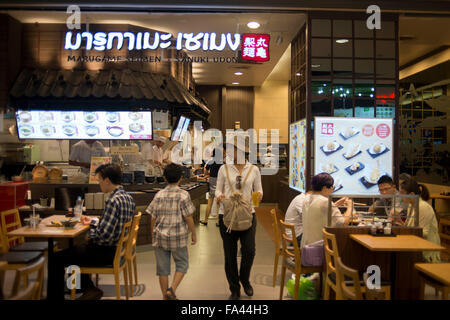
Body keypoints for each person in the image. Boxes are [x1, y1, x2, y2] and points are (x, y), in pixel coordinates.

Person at [48, 164, 135, 300]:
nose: (99, 183)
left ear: (107, 181)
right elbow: (112, 225)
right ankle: (85, 288)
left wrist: (91, 234)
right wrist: (94, 222)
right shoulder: (127, 198)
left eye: (99, 180)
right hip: (118, 250)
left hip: (106, 252)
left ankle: (56, 297)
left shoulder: (113, 201)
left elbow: (104, 236)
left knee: (57, 258)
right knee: (76, 251)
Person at [215, 143, 263, 300]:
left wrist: (259, 196)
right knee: (230, 255)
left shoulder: (254, 169)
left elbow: (259, 190)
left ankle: (245, 279)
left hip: (248, 214)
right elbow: (218, 189)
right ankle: (234, 288)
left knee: (250, 250)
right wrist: (219, 196)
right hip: (227, 215)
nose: (227, 152)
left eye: (231, 148)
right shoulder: (224, 168)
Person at [146, 163, 197, 300]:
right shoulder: (184, 195)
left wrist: (153, 234)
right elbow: (188, 217)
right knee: (182, 264)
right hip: (178, 237)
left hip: (160, 236)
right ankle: (172, 289)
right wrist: (193, 233)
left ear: (164, 178)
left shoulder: (159, 195)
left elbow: (152, 217)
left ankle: (164, 297)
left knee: (162, 269)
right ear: (181, 178)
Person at [301, 173, 353, 247]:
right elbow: (343, 223)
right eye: (332, 187)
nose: (332, 190)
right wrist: (350, 206)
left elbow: (320, 210)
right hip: (319, 247)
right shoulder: (325, 202)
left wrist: (336, 204)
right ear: (325, 188)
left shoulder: (307, 198)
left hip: (306, 246)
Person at [399, 178, 441, 263]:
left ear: (411, 194)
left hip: (426, 252)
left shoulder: (423, 207)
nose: (400, 196)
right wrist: (399, 221)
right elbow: (409, 227)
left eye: (402, 193)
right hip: (415, 245)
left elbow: (423, 233)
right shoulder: (411, 205)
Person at [200, 147, 224, 226]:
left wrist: (207, 174)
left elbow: (205, 171)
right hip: (220, 182)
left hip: (213, 181)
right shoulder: (222, 162)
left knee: (210, 202)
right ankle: (220, 221)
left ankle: (206, 220)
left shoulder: (210, 161)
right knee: (221, 203)